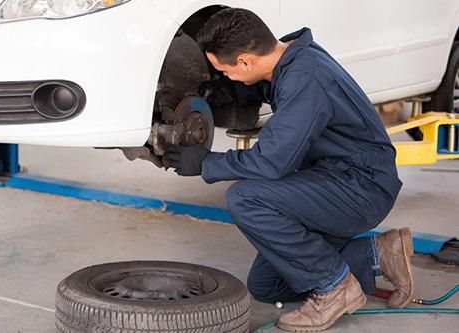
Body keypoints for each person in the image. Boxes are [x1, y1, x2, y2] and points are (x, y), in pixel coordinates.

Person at [164, 8, 414, 332]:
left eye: (223, 71)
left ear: (244, 61)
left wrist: (205, 162)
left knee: (245, 197)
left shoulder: (305, 78)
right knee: (267, 285)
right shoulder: (291, 58)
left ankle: (335, 287)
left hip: (361, 187)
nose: (223, 76)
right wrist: (243, 91)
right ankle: (380, 253)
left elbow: (270, 161)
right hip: (333, 176)